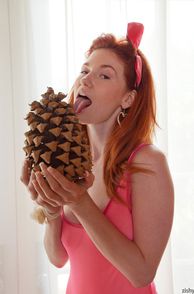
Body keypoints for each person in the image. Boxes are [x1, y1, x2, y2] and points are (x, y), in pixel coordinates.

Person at [20, 22, 174, 294]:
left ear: (127, 99)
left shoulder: (147, 162)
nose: (85, 80)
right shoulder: (68, 161)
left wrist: (79, 202)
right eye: (84, 70)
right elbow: (59, 258)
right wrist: (52, 211)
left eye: (105, 75)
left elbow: (141, 273)